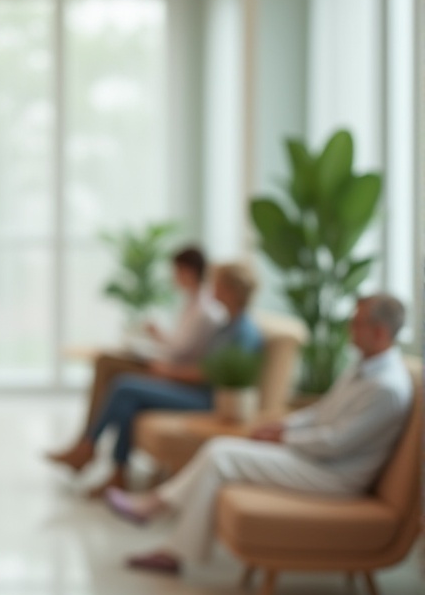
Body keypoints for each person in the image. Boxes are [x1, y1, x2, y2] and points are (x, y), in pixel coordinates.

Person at [105, 294, 413, 575]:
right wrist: (284, 426)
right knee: (220, 453)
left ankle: (156, 513)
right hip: (316, 457)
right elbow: (321, 412)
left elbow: (337, 443)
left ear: (380, 333)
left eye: (357, 322)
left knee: (221, 454)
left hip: (335, 475)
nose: (350, 328)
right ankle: (168, 543)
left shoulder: (386, 388)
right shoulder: (363, 367)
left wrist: (283, 439)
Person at [49, 261, 263, 495]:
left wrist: (167, 373)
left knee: (125, 387)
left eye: (217, 284)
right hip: (198, 391)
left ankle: (89, 449)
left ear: (230, 290)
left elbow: (210, 373)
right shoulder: (228, 325)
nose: (212, 288)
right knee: (129, 397)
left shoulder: (243, 331)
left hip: (208, 399)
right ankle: (116, 472)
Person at [49, 246, 223, 461]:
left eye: (175, 271)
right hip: (167, 365)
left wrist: (164, 362)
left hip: (173, 374)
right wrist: (158, 337)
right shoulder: (193, 304)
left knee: (118, 379)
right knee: (107, 363)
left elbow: (185, 355)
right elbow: (182, 347)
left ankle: (87, 445)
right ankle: (89, 447)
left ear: (188, 271)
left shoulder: (206, 312)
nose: (172, 277)